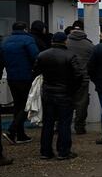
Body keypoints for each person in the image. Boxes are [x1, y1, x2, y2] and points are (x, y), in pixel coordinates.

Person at [32, 32, 85, 160]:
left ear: (52, 41)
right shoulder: (70, 55)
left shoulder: (42, 55)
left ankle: (45, 151)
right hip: (65, 93)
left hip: (48, 93)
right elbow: (78, 75)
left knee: (48, 123)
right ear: (65, 41)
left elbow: (35, 71)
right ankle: (63, 151)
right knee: (64, 123)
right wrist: (72, 89)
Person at [0, 22, 38, 144]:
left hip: (11, 77)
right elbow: (36, 57)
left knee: (18, 105)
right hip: (26, 76)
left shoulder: (5, 41)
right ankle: (12, 130)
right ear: (25, 29)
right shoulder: (28, 40)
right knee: (27, 105)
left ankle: (20, 135)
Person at [66, 20, 93, 134]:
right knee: (82, 103)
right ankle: (80, 127)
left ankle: (63, 125)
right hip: (83, 78)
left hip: (66, 78)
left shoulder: (65, 42)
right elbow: (93, 62)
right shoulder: (89, 44)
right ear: (83, 29)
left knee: (66, 102)